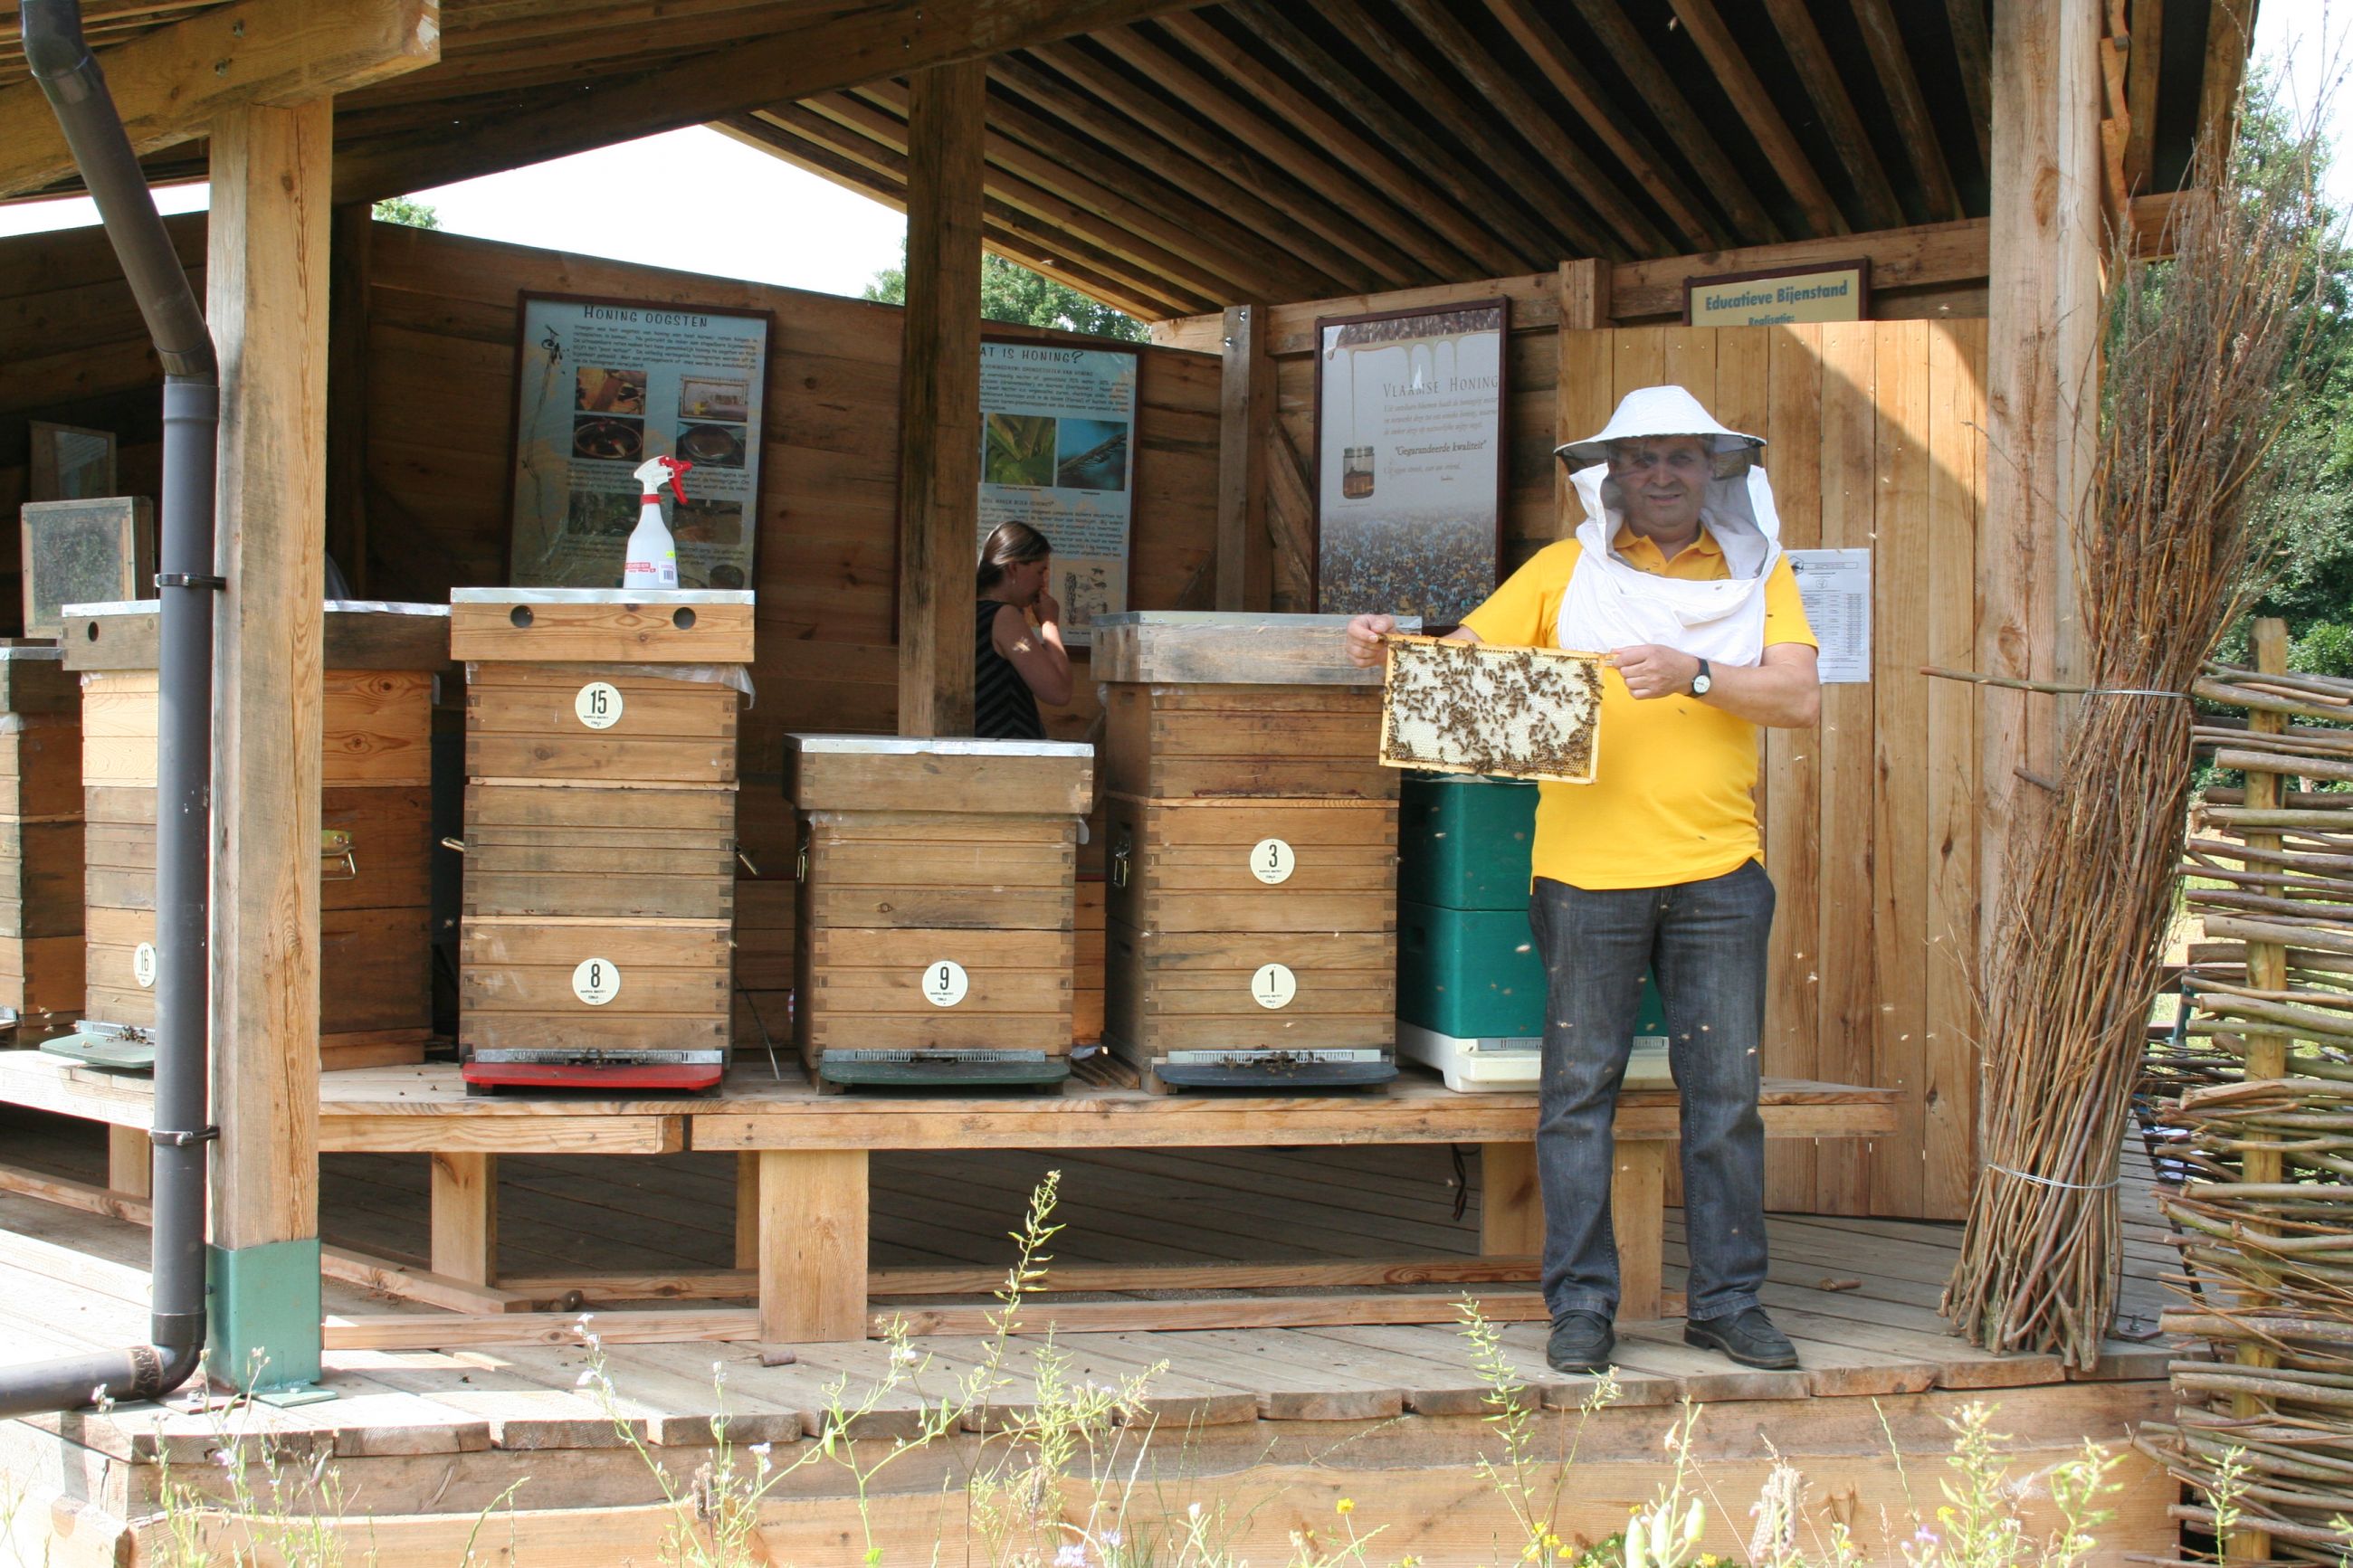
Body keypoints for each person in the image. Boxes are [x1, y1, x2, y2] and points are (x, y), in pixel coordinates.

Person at [1347, 385, 1822, 1375]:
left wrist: (1693, 670)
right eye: (1640, 458)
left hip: (1719, 873)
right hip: (1582, 875)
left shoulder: (1758, 573)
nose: (1659, 474)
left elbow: (1796, 694)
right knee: (1575, 1094)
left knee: (1724, 1098)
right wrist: (1386, 653)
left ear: (1713, 470)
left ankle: (1727, 1302)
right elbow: (1459, 670)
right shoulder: (1561, 571)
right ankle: (1581, 1306)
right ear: (1611, 474)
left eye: (1679, 458)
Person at [975, 520, 1072, 740]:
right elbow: (1058, 692)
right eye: (1040, 571)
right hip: (1004, 751)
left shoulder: (972, 612)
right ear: (1014, 568)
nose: (1043, 583)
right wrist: (1049, 623)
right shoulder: (1003, 617)